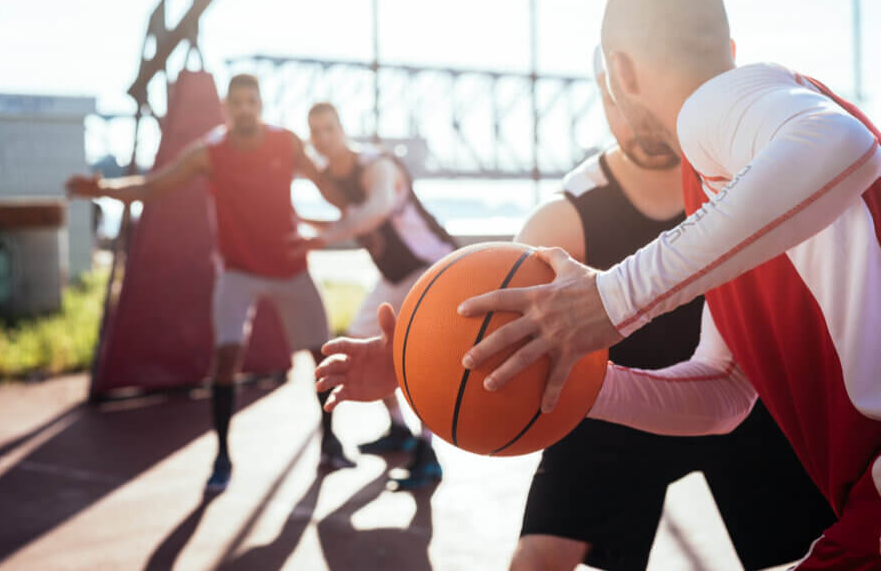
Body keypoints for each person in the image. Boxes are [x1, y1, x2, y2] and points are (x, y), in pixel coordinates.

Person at [314, 49, 833, 569]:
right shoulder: (563, 218)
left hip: (748, 400)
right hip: (602, 409)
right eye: (617, 92)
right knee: (536, 562)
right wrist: (415, 365)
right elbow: (495, 337)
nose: (636, 106)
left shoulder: (753, 187)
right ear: (607, 93)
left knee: (822, 553)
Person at [454, 0, 881, 565]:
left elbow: (841, 144)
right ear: (727, 47)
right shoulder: (731, 179)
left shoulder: (719, 106)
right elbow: (723, 391)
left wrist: (610, 299)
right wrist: (578, 383)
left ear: (620, 73)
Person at [65, 74, 355, 494]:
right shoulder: (208, 152)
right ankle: (222, 456)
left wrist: (370, 203)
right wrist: (104, 189)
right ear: (225, 108)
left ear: (261, 105)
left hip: (290, 267)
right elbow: (153, 186)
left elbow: (330, 189)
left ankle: (330, 440)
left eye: (251, 101)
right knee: (225, 358)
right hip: (238, 272)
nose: (245, 109)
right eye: (237, 102)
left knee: (322, 354)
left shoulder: (286, 143)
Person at [297, 101, 457, 490]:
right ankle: (399, 429)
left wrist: (320, 239)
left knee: (424, 361)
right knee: (361, 345)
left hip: (432, 268)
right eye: (315, 132)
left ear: (342, 129)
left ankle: (427, 452)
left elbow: (377, 209)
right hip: (394, 277)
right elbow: (349, 220)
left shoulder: (377, 166)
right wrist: (296, 221)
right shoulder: (336, 180)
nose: (323, 137)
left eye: (329, 128)